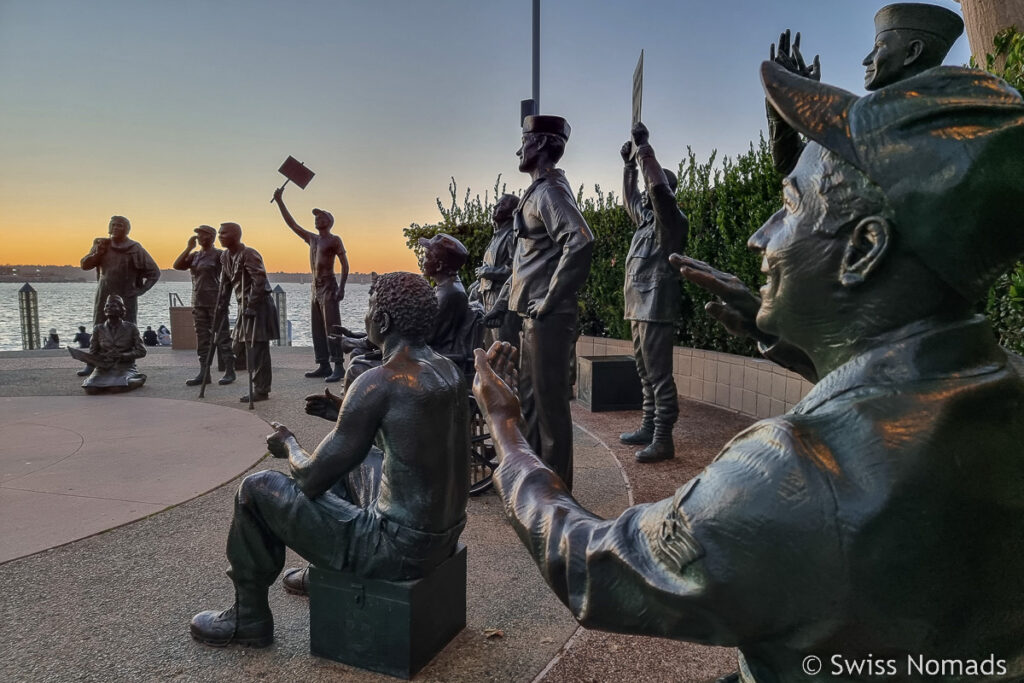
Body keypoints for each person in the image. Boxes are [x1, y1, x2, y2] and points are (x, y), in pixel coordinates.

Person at [473, 63, 1024, 682]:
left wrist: (506, 431)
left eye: (789, 208)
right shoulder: (1004, 386)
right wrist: (771, 331)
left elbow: (593, 570)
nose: (761, 237)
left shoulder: (793, 473)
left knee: (644, 385)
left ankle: (652, 432)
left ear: (865, 248)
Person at [190, 272, 469, 647]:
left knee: (256, 489)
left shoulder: (378, 381)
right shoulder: (447, 370)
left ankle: (249, 617)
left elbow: (310, 479)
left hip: (395, 551)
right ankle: (325, 567)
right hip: (443, 537)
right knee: (354, 459)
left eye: (371, 308)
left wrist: (288, 444)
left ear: (383, 321)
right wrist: (348, 417)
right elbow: (414, 450)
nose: (367, 316)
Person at [485, 115, 594, 491]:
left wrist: (549, 298)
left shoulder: (550, 192)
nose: (519, 148)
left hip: (548, 317)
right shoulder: (536, 192)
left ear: (544, 144)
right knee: (529, 402)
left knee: (549, 411)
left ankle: (557, 495)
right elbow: (524, 263)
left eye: (525, 139)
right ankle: (534, 483)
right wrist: (504, 302)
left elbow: (580, 241)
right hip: (531, 315)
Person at [767, 3, 964, 175]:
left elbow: (797, 166)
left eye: (879, 47)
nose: (866, 60)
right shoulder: (950, 124)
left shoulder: (872, 126)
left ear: (912, 52)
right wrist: (783, 102)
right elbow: (797, 164)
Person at [617, 122, 688, 463]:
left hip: (657, 305)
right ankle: (648, 426)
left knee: (659, 376)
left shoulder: (671, 221)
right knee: (644, 372)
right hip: (637, 305)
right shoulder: (645, 222)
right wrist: (629, 166)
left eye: (651, 192)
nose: (645, 196)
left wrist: (645, 151)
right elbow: (632, 198)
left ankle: (663, 438)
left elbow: (659, 192)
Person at [339, 234, 477, 385]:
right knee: (359, 354)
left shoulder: (449, 294)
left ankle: (355, 406)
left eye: (426, 256)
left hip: (426, 360)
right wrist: (360, 337)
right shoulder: (446, 288)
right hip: (424, 354)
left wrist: (368, 343)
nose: (422, 261)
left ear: (439, 266)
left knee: (357, 366)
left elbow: (423, 336)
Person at [272, 188, 349, 383]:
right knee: (317, 328)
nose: (317, 219)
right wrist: (280, 201)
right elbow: (292, 224)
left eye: (321, 217)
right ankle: (323, 364)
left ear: (328, 222)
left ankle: (338, 365)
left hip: (329, 286)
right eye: (316, 217)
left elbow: (345, 265)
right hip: (315, 288)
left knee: (332, 328)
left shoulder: (334, 239)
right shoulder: (312, 239)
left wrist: (341, 288)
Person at [78, 215, 160, 376]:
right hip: (105, 292)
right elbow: (85, 265)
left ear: (127, 229)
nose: (116, 228)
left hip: (127, 294)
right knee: (98, 325)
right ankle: (93, 362)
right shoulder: (102, 244)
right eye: (113, 224)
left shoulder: (135, 248)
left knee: (128, 326)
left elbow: (154, 273)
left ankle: (128, 363)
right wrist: (97, 253)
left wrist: (140, 290)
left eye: (120, 225)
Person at [214, 222, 279, 403]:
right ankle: (232, 372)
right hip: (244, 306)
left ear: (235, 235)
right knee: (238, 345)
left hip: (259, 306)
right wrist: (221, 304)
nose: (220, 236)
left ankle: (261, 389)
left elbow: (260, 279)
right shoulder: (225, 256)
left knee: (258, 349)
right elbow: (225, 284)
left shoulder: (249, 253)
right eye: (219, 233)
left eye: (224, 233)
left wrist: (251, 305)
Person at [172, 225, 235, 386]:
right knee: (202, 339)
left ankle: (230, 370)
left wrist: (225, 299)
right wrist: (188, 248)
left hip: (215, 302)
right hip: (198, 301)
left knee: (222, 337)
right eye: (197, 235)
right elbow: (177, 265)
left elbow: (230, 277)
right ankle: (204, 372)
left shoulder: (220, 255)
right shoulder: (195, 256)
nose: (199, 237)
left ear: (211, 237)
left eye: (202, 235)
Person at [68, 295, 147, 394]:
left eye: (113, 306)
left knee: (116, 388)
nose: (109, 308)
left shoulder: (131, 328)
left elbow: (142, 351)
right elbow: (93, 352)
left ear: (121, 309)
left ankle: (138, 378)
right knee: (90, 388)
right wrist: (91, 359)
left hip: (124, 366)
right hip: (103, 367)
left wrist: (122, 356)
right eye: (107, 306)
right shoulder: (98, 329)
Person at [478, 193, 521, 348]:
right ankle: (493, 373)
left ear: (512, 212)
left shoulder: (511, 236)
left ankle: (508, 373)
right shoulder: (496, 236)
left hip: (503, 298)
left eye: (501, 205)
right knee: (491, 347)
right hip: (488, 296)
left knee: (504, 347)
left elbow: (517, 270)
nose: (495, 207)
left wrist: (489, 272)